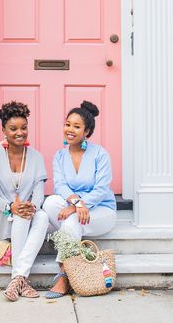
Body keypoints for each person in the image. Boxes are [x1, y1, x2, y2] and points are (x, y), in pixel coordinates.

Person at [43, 100, 117, 298]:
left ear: (86, 132)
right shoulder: (59, 156)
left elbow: (101, 189)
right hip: (75, 206)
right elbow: (60, 185)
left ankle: (63, 275)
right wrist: (76, 203)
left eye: (76, 126)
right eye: (67, 124)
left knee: (72, 220)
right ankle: (71, 234)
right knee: (49, 202)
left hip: (101, 210)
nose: (70, 129)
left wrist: (78, 207)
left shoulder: (100, 154)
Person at [0, 101, 49, 301]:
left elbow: (38, 193)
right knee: (20, 215)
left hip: (25, 215)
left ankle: (17, 278)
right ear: (3, 129)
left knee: (42, 216)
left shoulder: (36, 157)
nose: (20, 132)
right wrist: (10, 206)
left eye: (24, 127)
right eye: (13, 129)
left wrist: (33, 206)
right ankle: (21, 280)